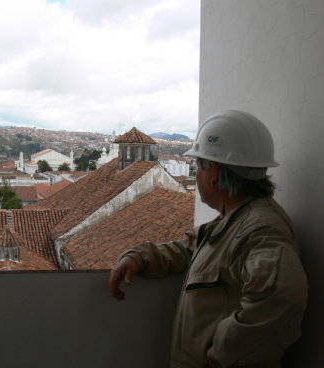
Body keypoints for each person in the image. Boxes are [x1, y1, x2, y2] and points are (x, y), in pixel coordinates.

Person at [109, 110, 307, 368]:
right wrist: (140, 257)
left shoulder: (261, 231)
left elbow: (281, 301)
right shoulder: (234, 221)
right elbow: (190, 248)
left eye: (197, 166)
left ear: (213, 172)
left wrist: (223, 350)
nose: (196, 175)